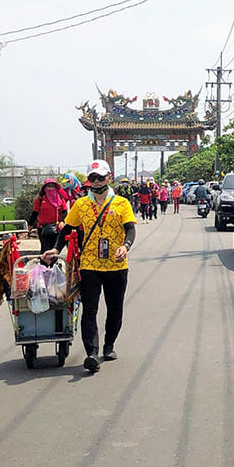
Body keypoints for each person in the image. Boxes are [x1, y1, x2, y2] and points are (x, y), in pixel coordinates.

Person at [43, 159, 137, 373]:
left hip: (116, 265)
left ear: (109, 178)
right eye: (92, 178)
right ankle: (91, 353)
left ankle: (109, 346)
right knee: (89, 310)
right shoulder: (81, 204)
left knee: (115, 309)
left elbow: (130, 229)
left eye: (100, 177)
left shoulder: (122, 203)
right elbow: (67, 228)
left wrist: (125, 246)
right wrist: (56, 249)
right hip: (89, 264)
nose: (96, 181)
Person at [29, 178, 68, 255]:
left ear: (56, 188)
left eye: (52, 186)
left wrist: (62, 221)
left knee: (54, 249)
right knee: (45, 249)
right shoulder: (40, 199)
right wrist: (30, 224)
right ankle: (43, 263)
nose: (50, 188)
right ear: (44, 188)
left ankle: (54, 262)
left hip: (57, 227)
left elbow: (64, 211)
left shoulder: (60, 198)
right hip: (43, 228)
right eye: (48, 186)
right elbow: (35, 212)